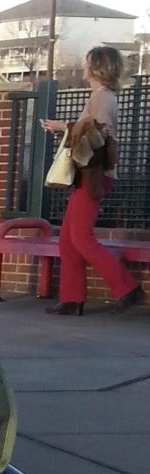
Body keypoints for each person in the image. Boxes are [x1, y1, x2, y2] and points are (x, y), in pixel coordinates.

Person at [43, 45, 143, 316]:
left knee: (81, 237)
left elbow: (97, 134)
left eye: (87, 63)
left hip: (94, 174)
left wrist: (65, 127)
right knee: (67, 239)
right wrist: (66, 130)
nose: (84, 67)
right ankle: (72, 298)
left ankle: (127, 287)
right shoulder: (100, 96)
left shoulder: (103, 97)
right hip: (90, 173)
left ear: (97, 67)